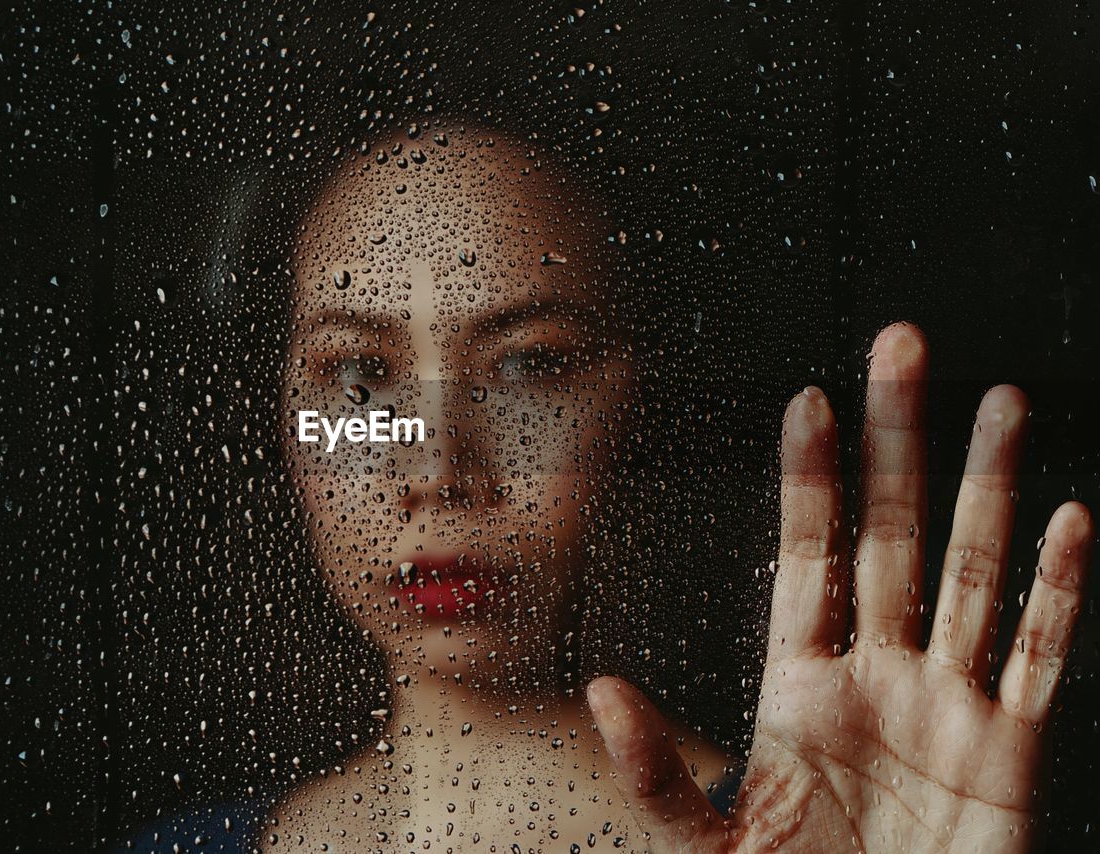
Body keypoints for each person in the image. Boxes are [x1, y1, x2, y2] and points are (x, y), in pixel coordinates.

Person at [257, 122, 1092, 852]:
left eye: (528, 366)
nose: (439, 475)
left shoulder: (809, 828)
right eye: (359, 372)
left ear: (640, 407)